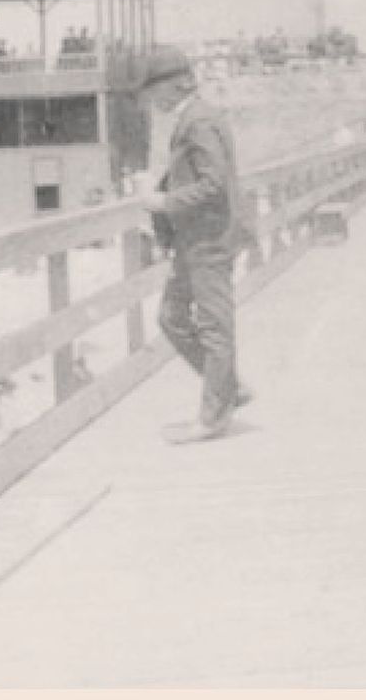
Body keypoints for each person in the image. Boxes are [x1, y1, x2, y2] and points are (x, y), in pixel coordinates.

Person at [135, 45, 250, 445]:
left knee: (214, 326)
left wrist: (162, 202)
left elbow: (214, 184)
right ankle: (227, 388)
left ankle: (214, 416)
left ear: (177, 83)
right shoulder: (194, 117)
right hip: (194, 237)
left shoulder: (198, 120)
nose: (151, 98)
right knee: (171, 316)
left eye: (154, 89)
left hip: (209, 238)